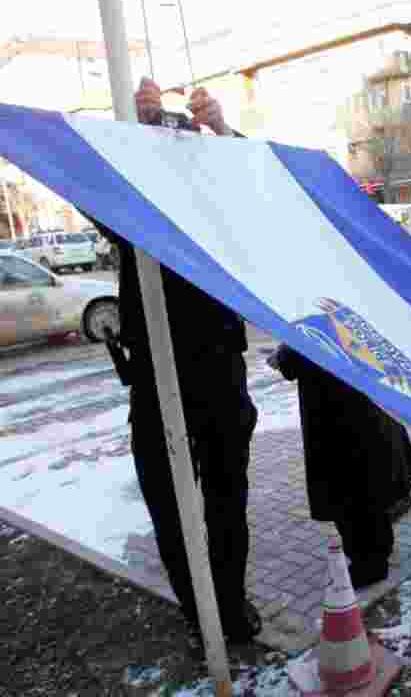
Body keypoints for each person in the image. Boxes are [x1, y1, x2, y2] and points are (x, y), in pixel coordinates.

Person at [98, 78, 261, 643]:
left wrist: (222, 130)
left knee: (226, 494)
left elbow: (259, 190)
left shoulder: (218, 200)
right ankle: (199, 610)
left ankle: (229, 606)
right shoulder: (132, 202)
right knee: (167, 500)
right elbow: (91, 191)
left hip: (217, 364)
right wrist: (129, 128)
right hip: (154, 368)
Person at [268, 345, 411, 589]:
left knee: (349, 495)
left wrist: (282, 356)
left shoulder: (312, 328)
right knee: (370, 486)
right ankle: (379, 550)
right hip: (368, 408)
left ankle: (369, 565)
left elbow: (295, 360)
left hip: (336, 420)